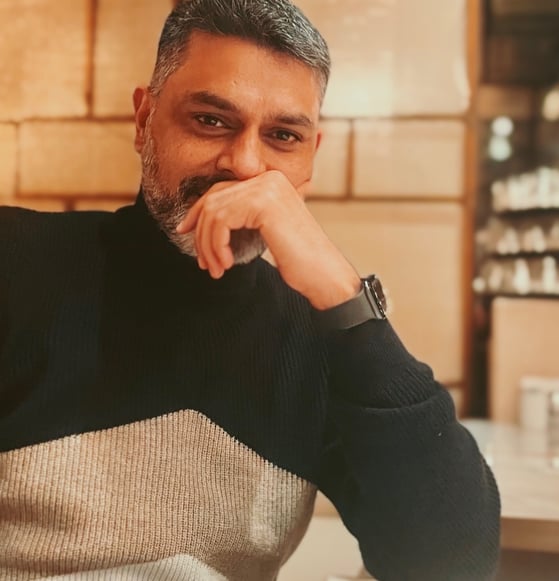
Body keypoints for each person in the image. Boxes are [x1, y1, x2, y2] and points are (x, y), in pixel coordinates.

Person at [0, 0, 500, 579]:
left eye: (283, 135)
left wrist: (346, 297)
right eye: (211, 120)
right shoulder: (18, 260)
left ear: (310, 160)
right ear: (144, 121)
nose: (243, 164)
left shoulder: (320, 335)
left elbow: (454, 563)